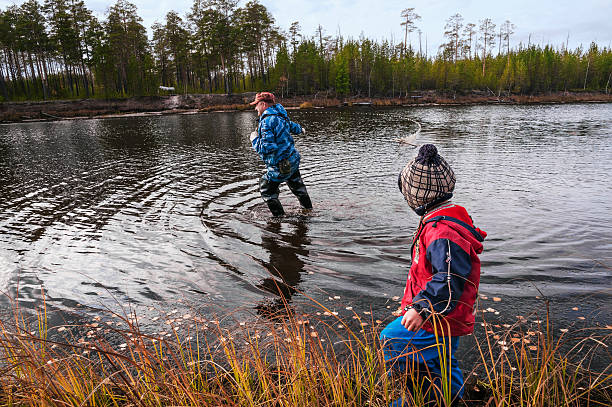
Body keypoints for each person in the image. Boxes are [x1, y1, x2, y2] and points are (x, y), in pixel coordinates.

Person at [380, 144, 487, 406]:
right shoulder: (444, 218)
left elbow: (450, 279)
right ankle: (452, 397)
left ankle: (418, 397)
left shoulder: (442, 232)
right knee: (443, 357)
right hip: (447, 312)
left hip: (440, 314)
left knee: (392, 339)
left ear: (417, 197)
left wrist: (421, 308)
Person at [249, 92, 312, 216]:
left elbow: (267, 148)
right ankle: (308, 211)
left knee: (266, 190)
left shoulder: (267, 121)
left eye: (256, 105)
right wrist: (301, 129)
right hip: (292, 160)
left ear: (263, 104)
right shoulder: (281, 115)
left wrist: (254, 139)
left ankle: (279, 219)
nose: (255, 108)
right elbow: (291, 126)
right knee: (298, 188)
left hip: (280, 165)